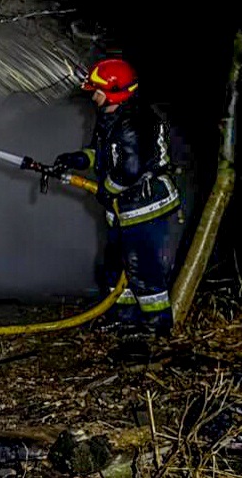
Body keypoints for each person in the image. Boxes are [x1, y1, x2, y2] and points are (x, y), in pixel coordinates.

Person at [54, 52, 181, 341]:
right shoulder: (109, 117)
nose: (93, 96)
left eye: (97, 91)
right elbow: (101, 155)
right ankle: (124, 320)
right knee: (114, 267)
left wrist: (105, 190)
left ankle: (156, 328)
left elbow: (129, 170)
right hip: (123, 209)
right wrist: (75, 159)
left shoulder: (135, 122)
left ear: (114, 92)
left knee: (143, 269)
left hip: (146, 207)